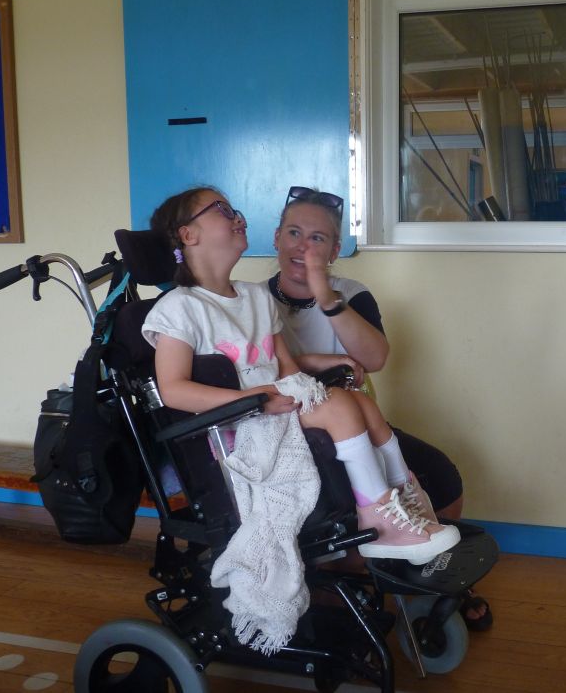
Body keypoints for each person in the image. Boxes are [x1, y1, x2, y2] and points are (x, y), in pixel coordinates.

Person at [141, 185, 461, 566]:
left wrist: (314, 366)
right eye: (222, 211)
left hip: (272, 404)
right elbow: (173, 390)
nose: (238, 216)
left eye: (317, 238)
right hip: (239, 424)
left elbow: (286, 368)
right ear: (188, 235)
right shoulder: (179, 308)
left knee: (356, 399)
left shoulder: (255, 298)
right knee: (341, 404)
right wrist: (258, 397)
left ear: (334, 248)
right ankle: (379, 518)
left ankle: (403, 494)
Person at [265, 185, 493, 631]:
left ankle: (427, 572)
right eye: (294, 232)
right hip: (296, 435)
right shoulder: (254, 300)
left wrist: (325, 295)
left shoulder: (351, 292)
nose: (303, 246)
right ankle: (364, 577)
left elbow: (375, 359)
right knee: (341, 505)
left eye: (317, 238)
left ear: (334, 250)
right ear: (276, 238)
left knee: (440, 474)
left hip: (361, 428)